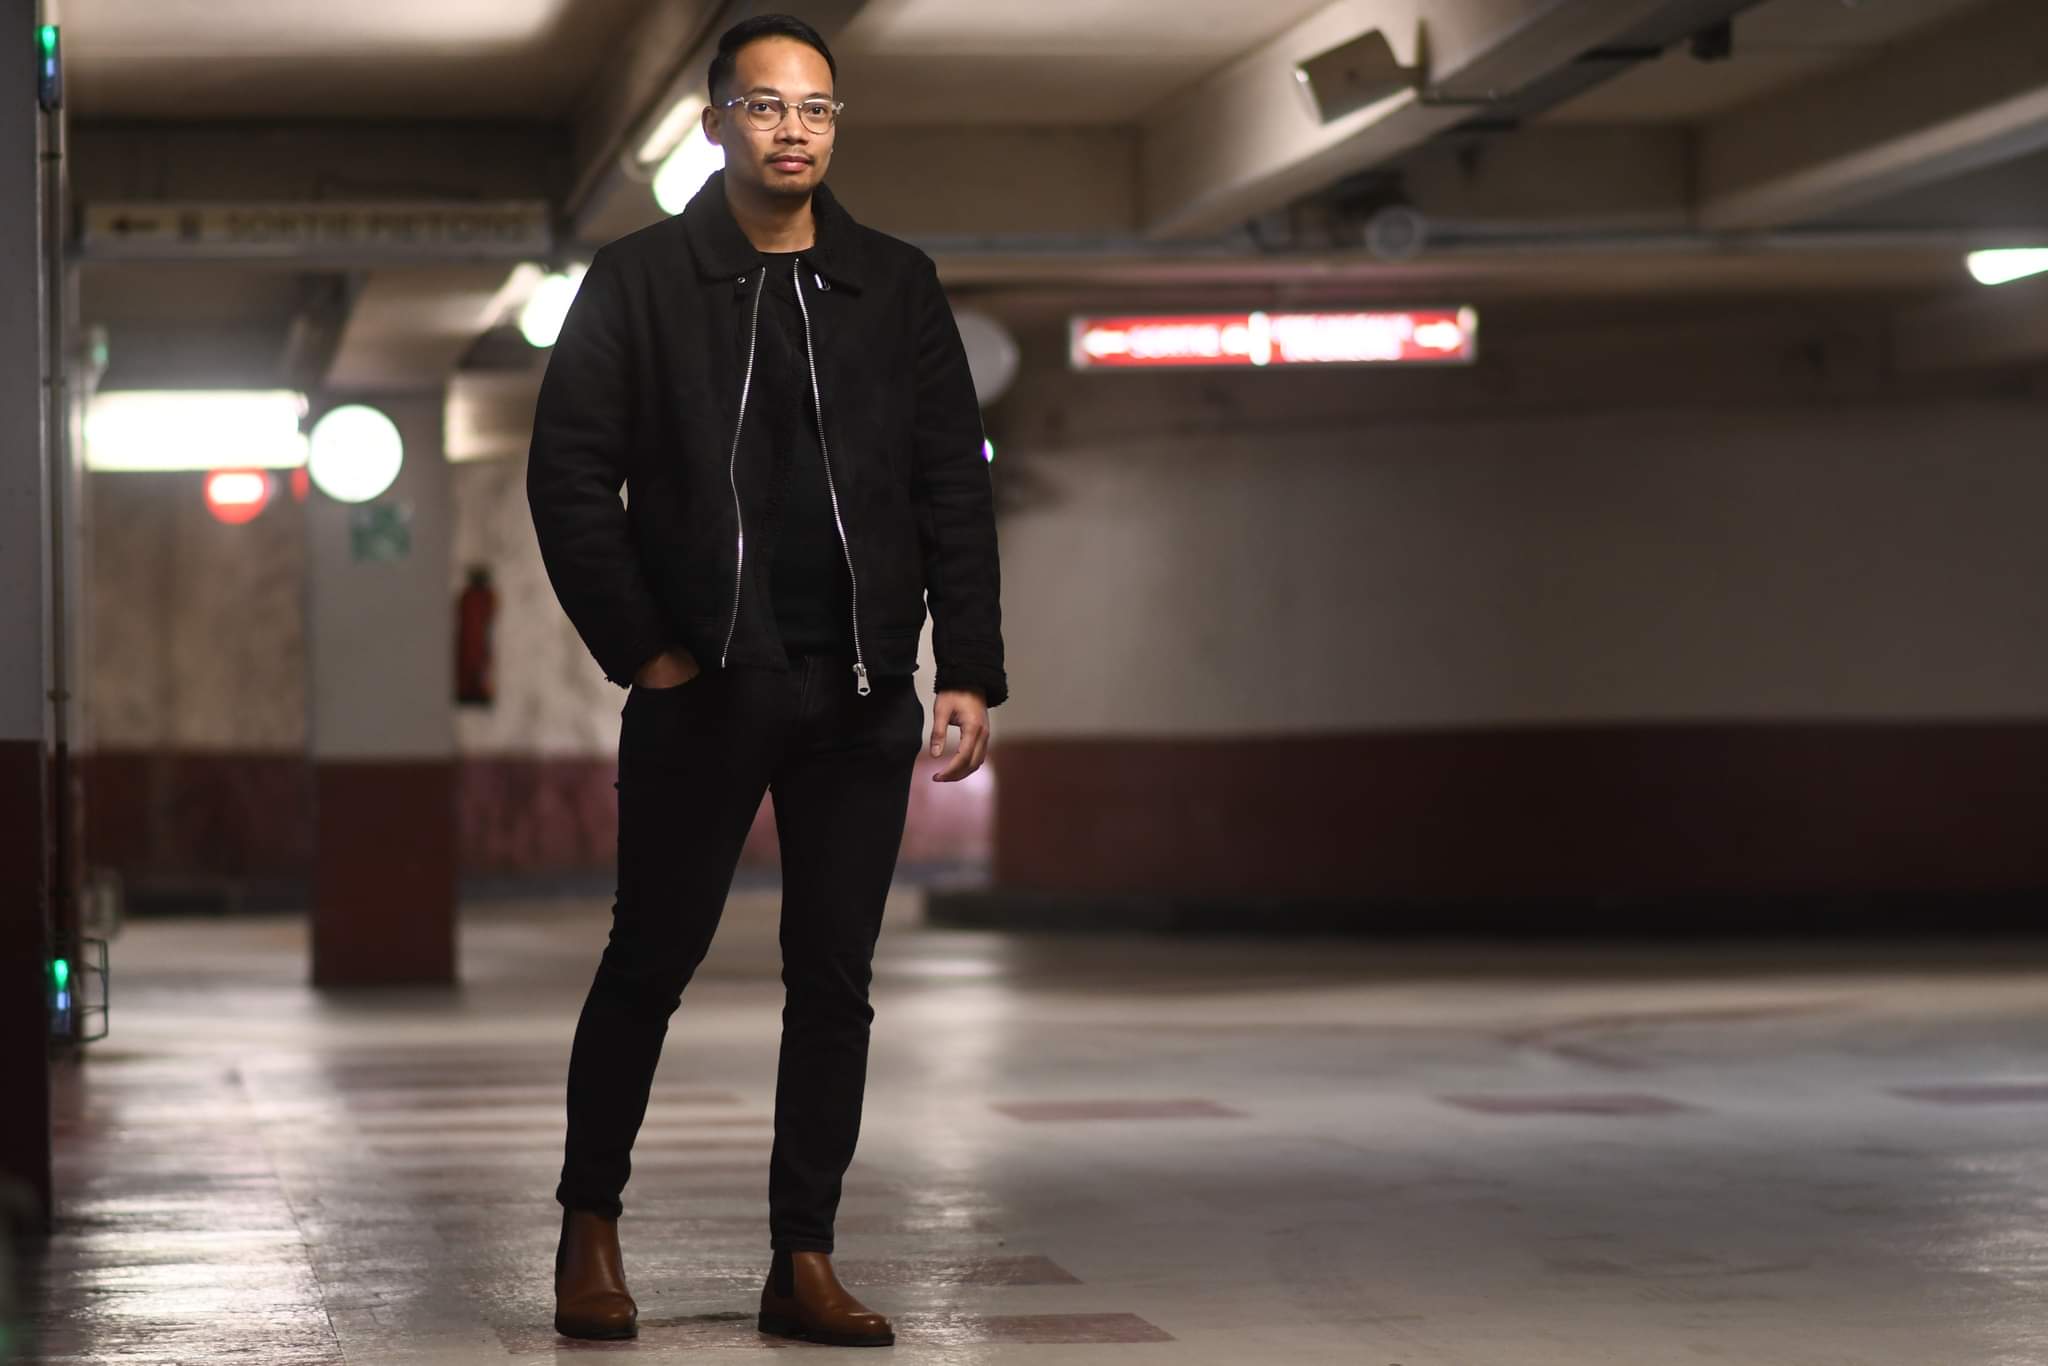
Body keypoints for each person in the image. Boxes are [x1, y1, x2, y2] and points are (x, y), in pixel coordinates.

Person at [525, 12, 1008, 1348]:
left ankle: (803, 1258)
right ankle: (588, 1228)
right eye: (765, 105)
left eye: (815, 108)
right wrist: (649, 651)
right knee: (650, 960)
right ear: (715, 124)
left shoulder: (894, 284)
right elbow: (569, 476)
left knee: (835, 982)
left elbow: (948, 485)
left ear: (833, 126)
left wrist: (967, 664)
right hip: (705, 688)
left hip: (858, 693)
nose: (793, 128)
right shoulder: (641, 279)